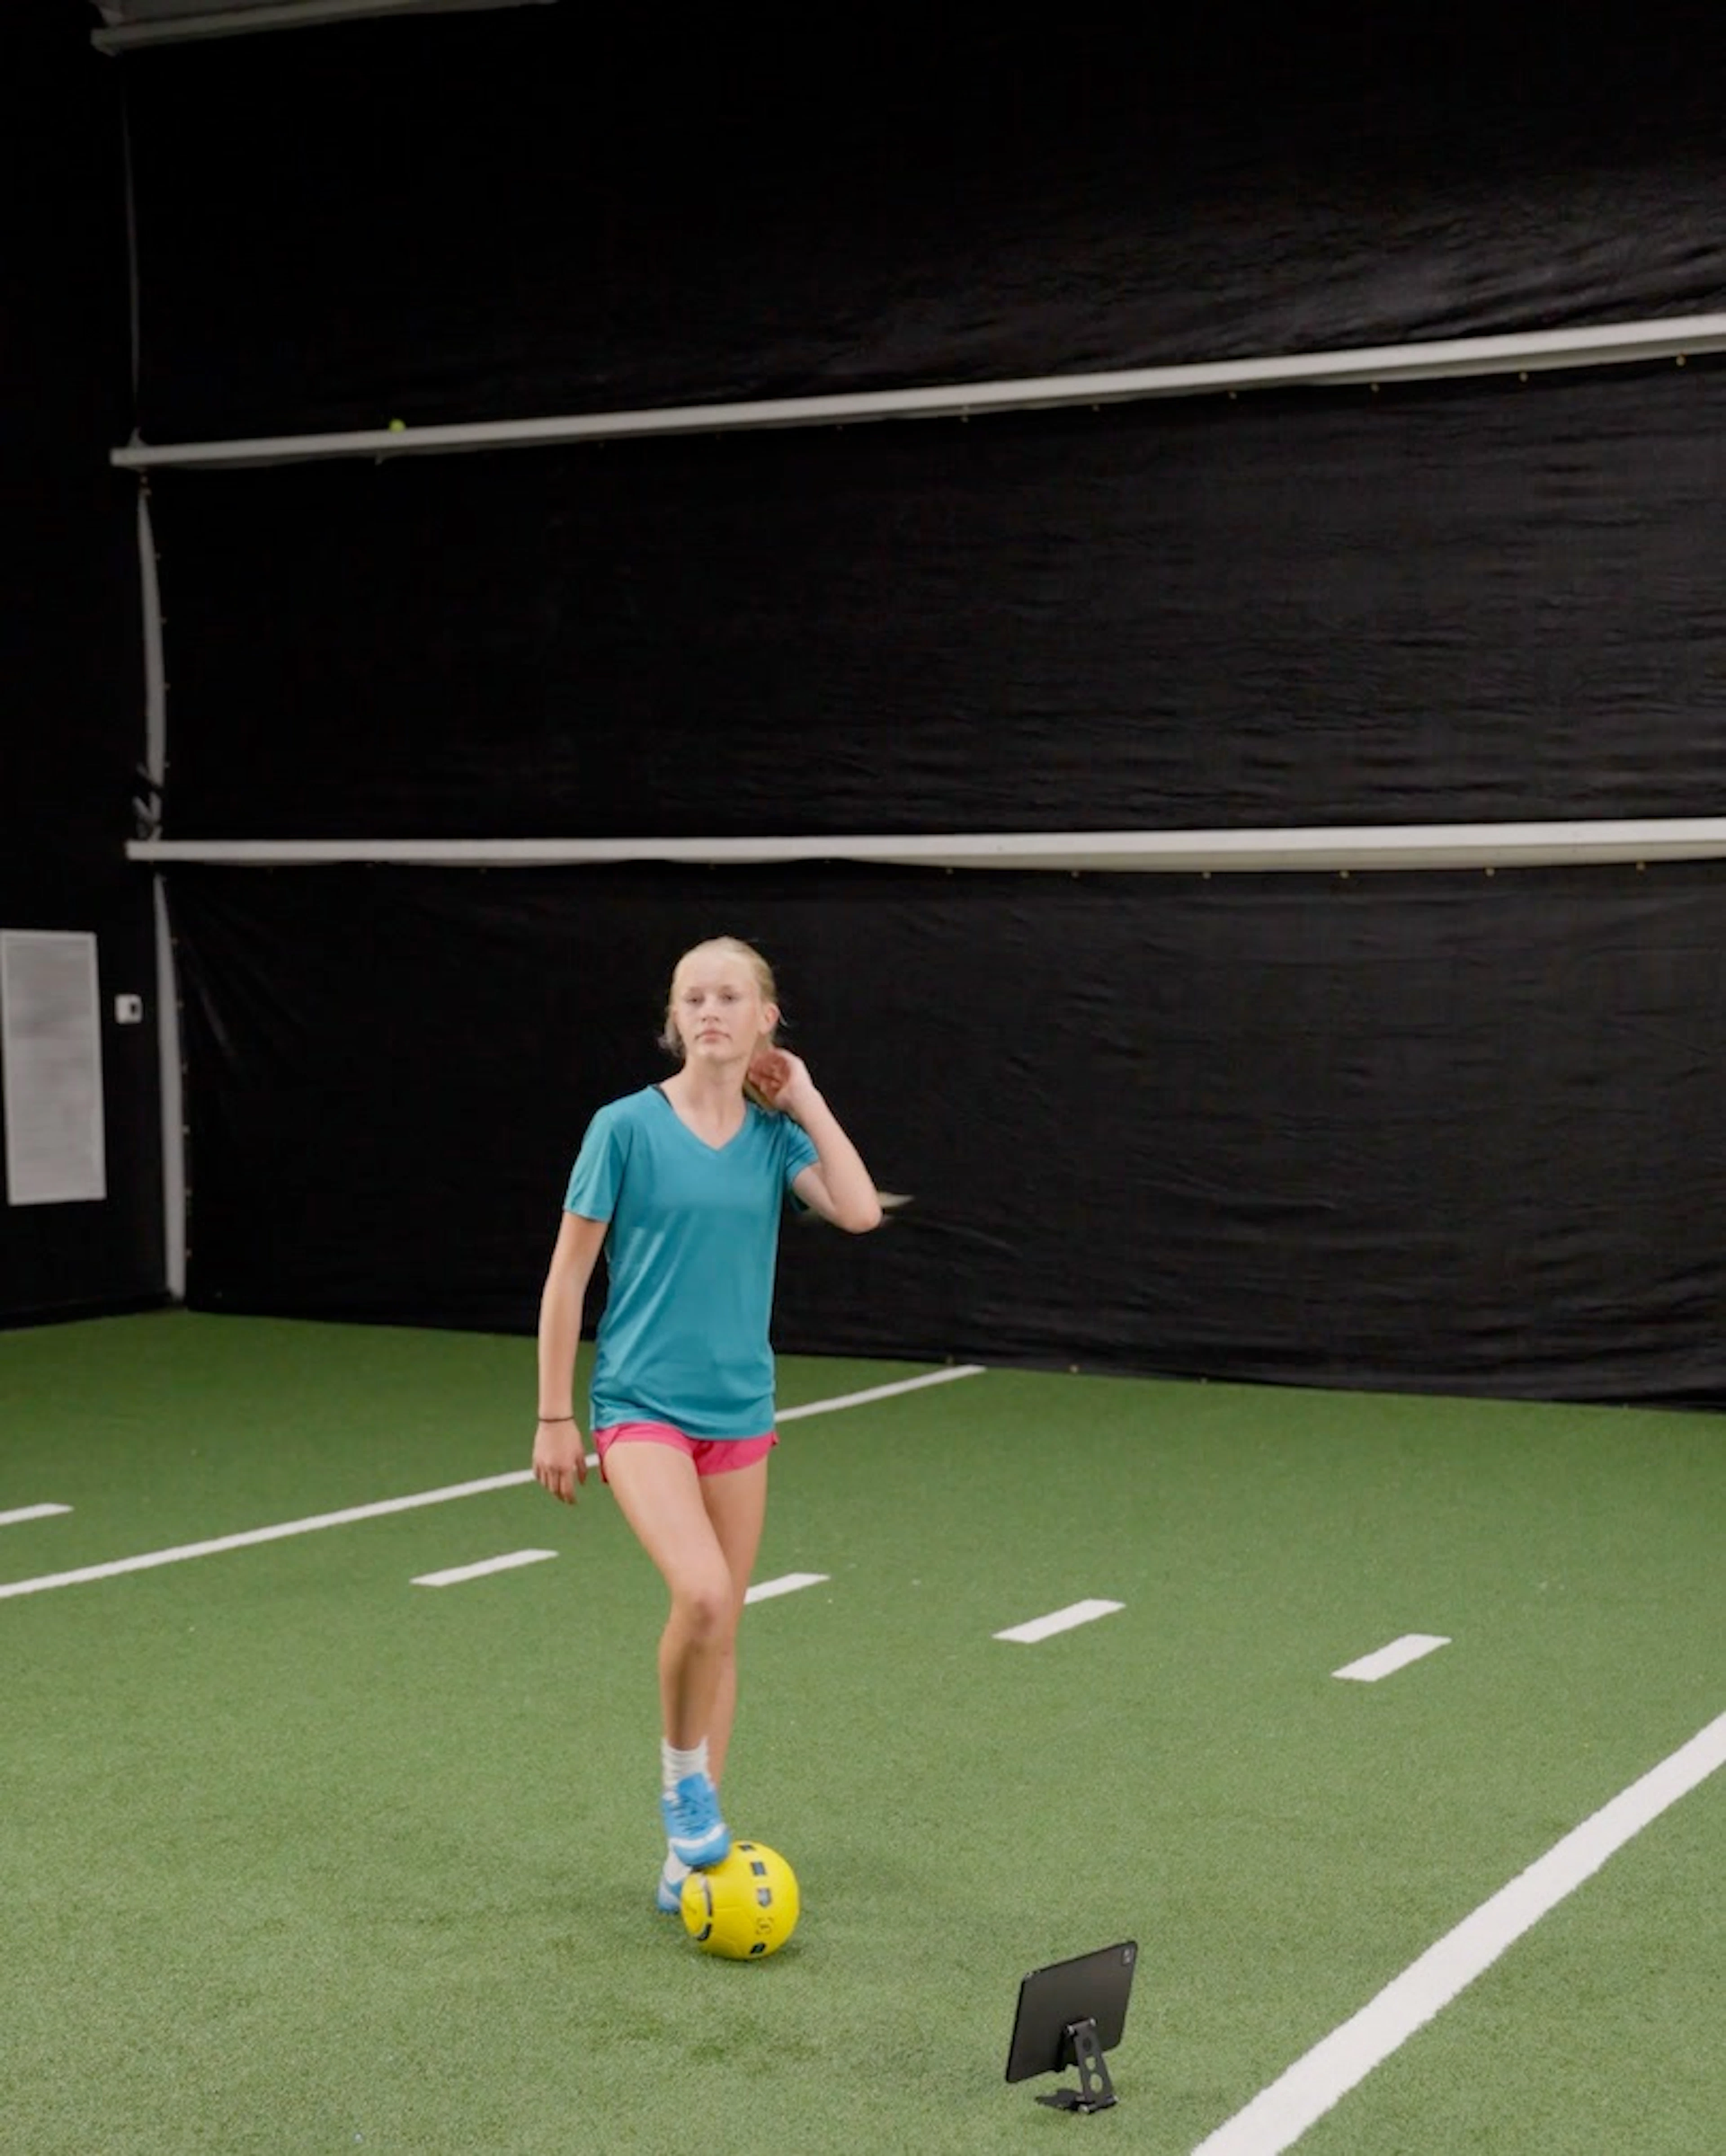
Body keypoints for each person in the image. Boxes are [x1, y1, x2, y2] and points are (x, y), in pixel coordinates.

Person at [532, 935, 883, 1914]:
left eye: (730, 996)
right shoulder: (624, 1128)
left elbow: (859, 1210)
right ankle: (685, 1784)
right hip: (639, 1405)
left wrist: (806, 1097)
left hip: (741, 1412)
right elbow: (567, 1277)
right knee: (700, 1591)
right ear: (674, 1018)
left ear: (766, 1017)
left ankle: (686, 1853)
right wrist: (556, 1413)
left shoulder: (776, 1138)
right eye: (693, 998)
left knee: (723, 1622)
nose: (710, 1011)